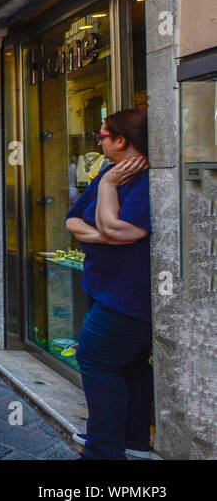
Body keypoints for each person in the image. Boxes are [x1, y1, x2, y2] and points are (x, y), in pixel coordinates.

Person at [64, 108, 153, 460]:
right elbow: (73, 220)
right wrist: (104, 233)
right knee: (128, 365)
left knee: (95, 358)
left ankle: (103, 451)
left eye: (102, 136)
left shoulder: (145, 180)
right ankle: (133, 441)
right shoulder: (106, 172)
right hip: (102, 285)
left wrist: (111, 189)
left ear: (121, 140)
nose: (98, 141)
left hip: (130, 292)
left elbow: (122, 230)